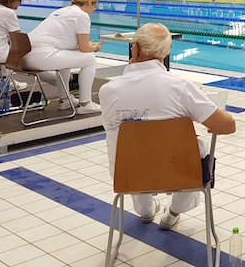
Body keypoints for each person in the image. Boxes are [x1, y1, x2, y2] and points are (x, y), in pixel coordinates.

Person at [99, 23, 236, 229]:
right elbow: (228, 126)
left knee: (134, 149)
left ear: (134, 49)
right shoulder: (180, 88)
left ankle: (145, 210)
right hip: (180, 174)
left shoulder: (108, 91)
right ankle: (172, 214)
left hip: (127, 174)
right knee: (195, 150)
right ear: (166, 53)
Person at [21, 0, 104, 114]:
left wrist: (87, 46)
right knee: (90, 59)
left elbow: (68, 44)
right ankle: (85, 104)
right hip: (42, 56)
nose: (94, 9)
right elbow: (84, 49)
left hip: (24, 56)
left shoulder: (60, 11)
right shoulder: (82, 15)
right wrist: (94, 47)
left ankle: (65, 100)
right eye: (94, 5)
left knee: (66, 59)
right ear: (90, 2)